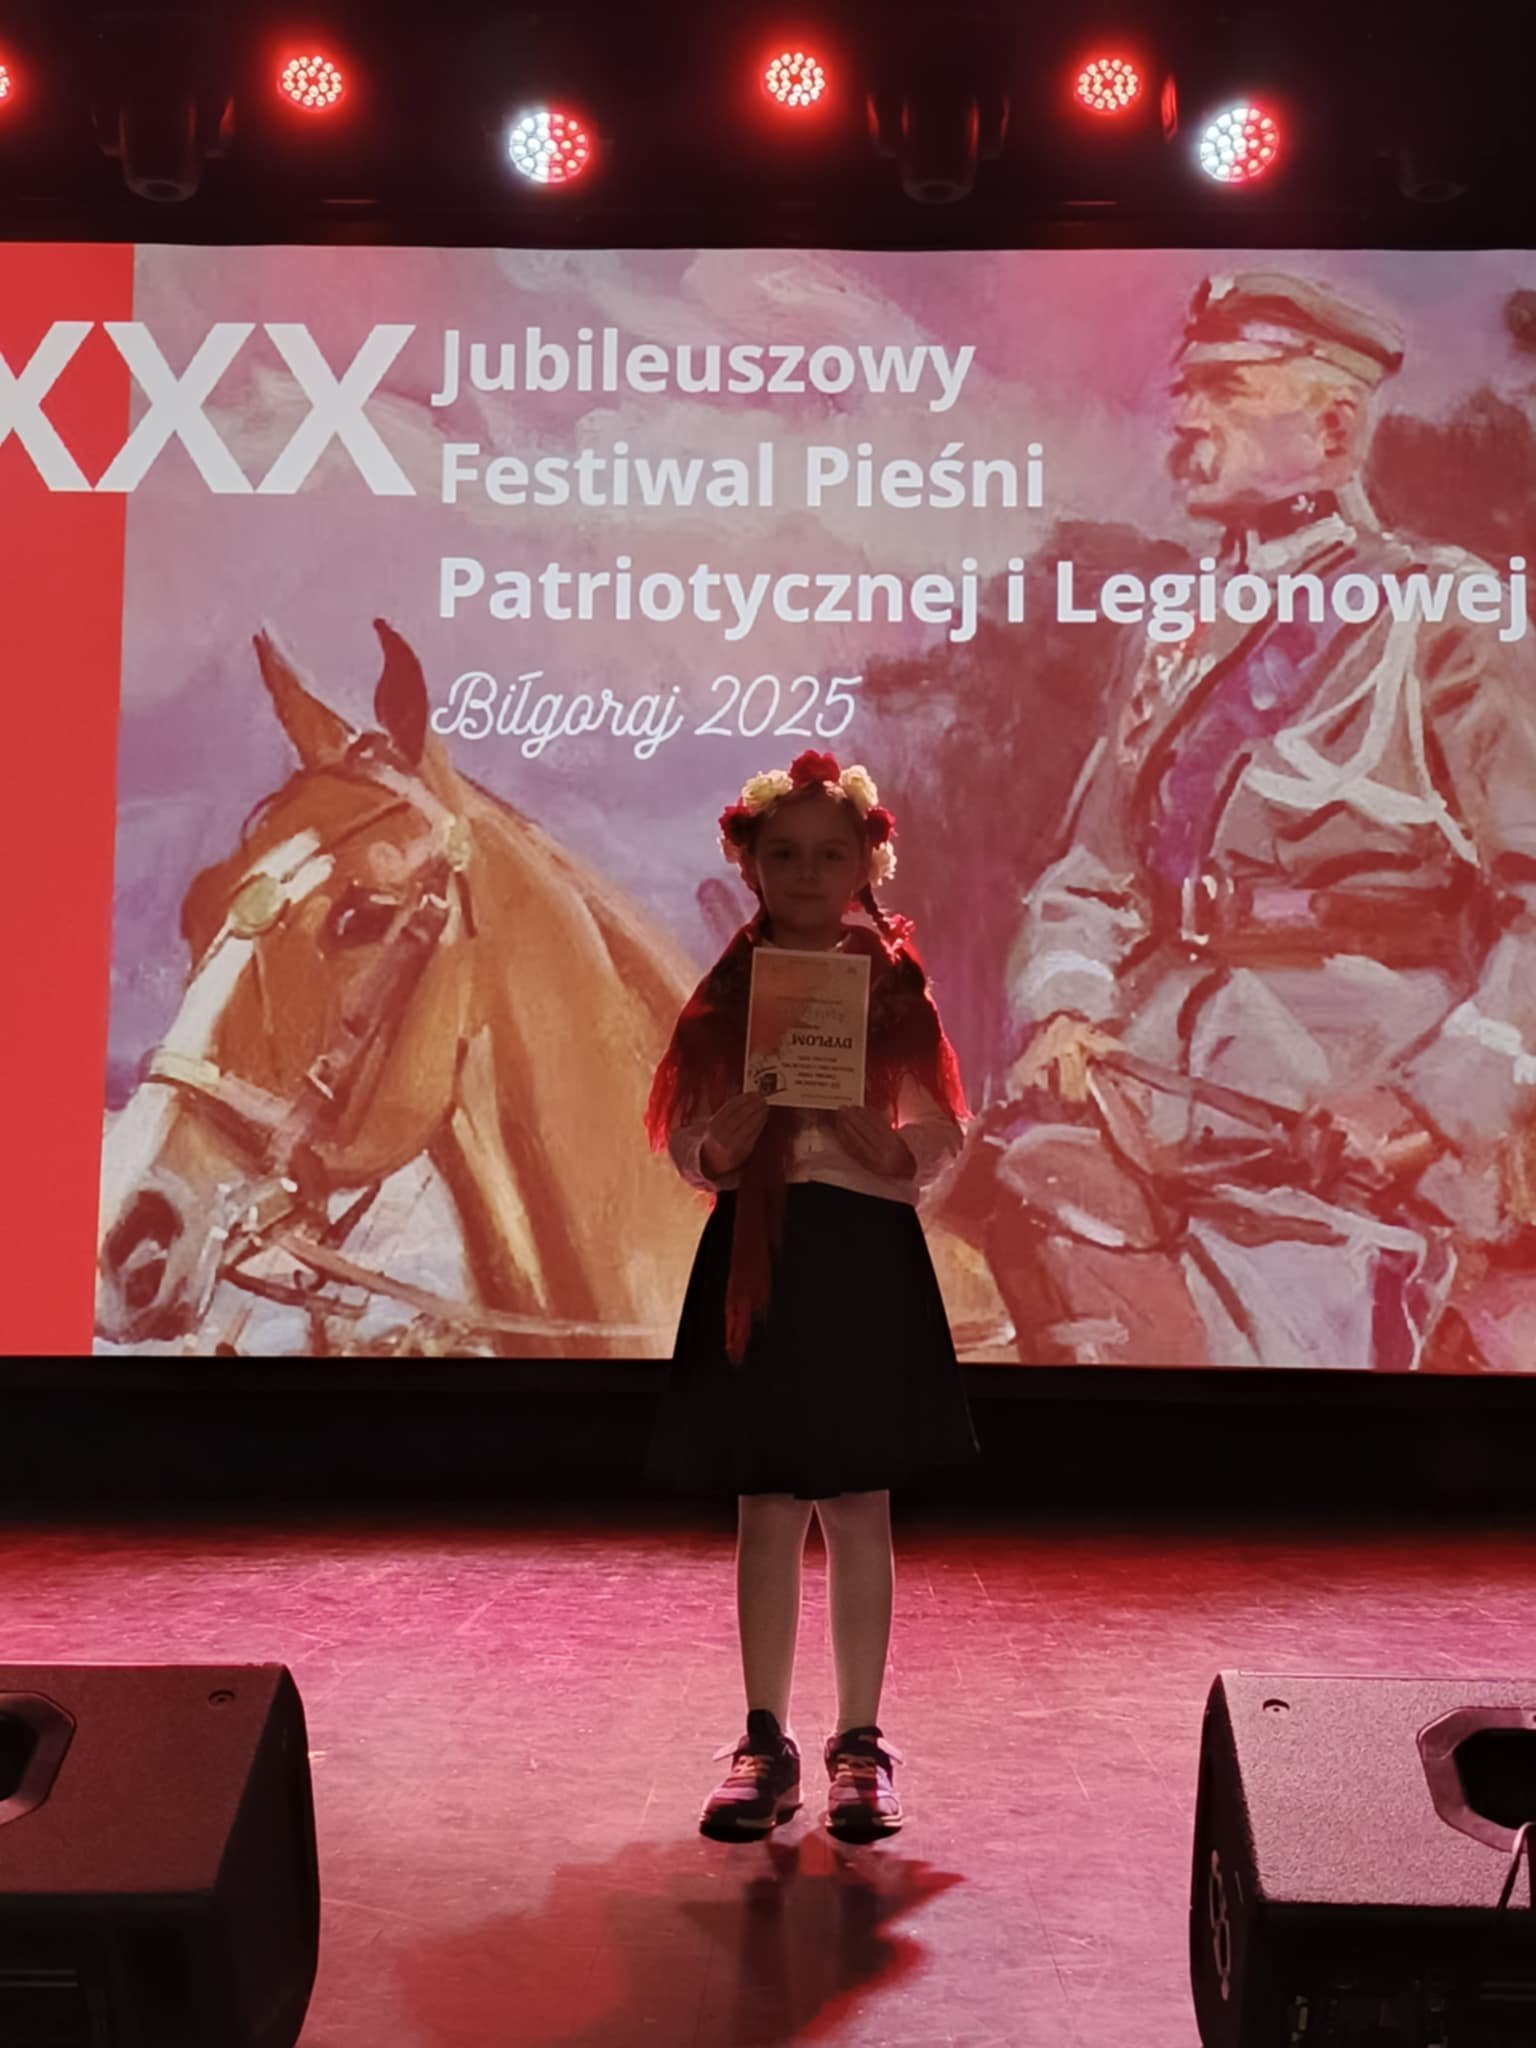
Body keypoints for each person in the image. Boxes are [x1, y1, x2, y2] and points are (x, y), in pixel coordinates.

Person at [990, 271, 1536, 1369]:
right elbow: (1090, 873)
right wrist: (1064, 1006)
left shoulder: (1443, 613)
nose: (1187, 419)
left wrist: (1431, 1107)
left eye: (1226, 389)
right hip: (1156, 1085)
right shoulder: (1171, 635)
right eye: (1185, 391)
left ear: (1332, 429)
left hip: (1350, 1121)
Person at [644, 748, 980, 1843]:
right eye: (783, 854)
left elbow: (942, 1127)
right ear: (747, 863)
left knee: (859, 1504)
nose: (805, 873)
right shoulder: (726, 994)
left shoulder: (891, 986)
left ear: (865, 863)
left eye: (829, 854)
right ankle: (764, 1738)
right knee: (767, 1505)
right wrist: (723, 1139)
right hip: (763, 1254)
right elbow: (689, 1138)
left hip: (864, 1254)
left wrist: (893, 1147)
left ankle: (860, 1742)